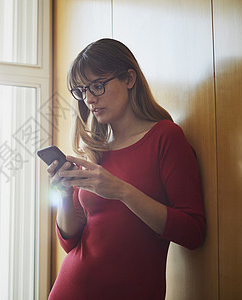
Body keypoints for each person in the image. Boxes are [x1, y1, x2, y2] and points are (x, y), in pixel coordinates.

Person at [47, 38, 205, 300]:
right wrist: (64, 195)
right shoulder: (95, 151)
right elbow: (69, 242)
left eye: (97, 86)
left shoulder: (165, 137)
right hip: (69, 290)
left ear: (129, 79)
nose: (88, 99)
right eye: (81, 91)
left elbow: (193, 232)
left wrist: (121, 191)